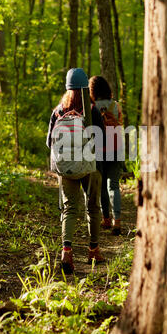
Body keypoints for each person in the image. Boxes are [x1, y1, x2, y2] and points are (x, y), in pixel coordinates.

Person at [46, 68, 105, 274]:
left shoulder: (58, 111)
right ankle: (93, 250)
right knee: (93, 207)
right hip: (89, 166)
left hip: (66, 167)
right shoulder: (92, 110)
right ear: (84, 88)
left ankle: (66, 251)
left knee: (70, 209)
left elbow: (49, 142)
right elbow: (101, 141)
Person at [89, 75, 123, 236]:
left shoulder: (92, 106)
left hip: (100, 149)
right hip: (117, 147)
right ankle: (118, 221)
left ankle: (106, 218)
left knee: (102, 186)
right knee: (114, 185)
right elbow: (120, 122)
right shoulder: (116, 105)